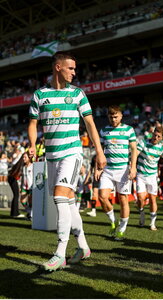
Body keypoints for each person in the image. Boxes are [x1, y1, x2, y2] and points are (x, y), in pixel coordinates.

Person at [28, 51, 106, 271]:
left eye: (74, 68)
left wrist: (99, 152)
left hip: (72, 153)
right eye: (70, 68)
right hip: (51, 155)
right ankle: (83, 247)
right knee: (68, 202)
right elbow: (33, 123)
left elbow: (90, 124)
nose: (74, 72)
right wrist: (33, 145)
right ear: (58, 67)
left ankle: (59, 253)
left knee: (60, 197)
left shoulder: (78, 94)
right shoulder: (40, 95)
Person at [97, 105, 137, 241]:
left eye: (116, 117)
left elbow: (134, 150)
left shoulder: (128, 130)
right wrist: (98, 167)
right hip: (107, 170)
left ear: (121, 116)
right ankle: (113, 221)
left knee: (123, 199)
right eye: (111, 117)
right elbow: (100, 151)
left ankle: (122, 229)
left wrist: (133, 167)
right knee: (102, 197)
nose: (113, 119)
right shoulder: (103, 131)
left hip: (123, 170)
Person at [136, 127, 163, 230]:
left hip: (152, 177)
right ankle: (142, 213)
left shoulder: (162, 148)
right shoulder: (143, 143)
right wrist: (131, 166)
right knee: (140, 198)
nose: (156, 137)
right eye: (155, 135)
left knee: (153, 199)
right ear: (152, 134)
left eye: (159, 136)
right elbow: (135, 154)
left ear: (161, 138)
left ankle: (152, 223)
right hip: (140, 175)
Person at [20, 152, 33, 220]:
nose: (23, 159)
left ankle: (31, 215)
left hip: (31, 187)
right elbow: (22, 178)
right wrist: (20, 186)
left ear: (29, 158)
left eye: (25, 157)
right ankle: (29, 211)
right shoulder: (23, 167)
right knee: (22, 201)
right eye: (23, 157)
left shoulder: (33, 166)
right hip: (24, 187)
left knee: (31, 202)